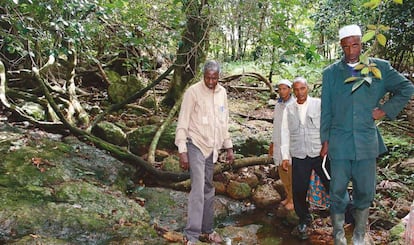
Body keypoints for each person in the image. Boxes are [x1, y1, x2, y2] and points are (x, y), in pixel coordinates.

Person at [320, 24, 414, 245]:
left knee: (365, 191)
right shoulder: (331, 73)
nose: (351, 51)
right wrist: (325, 140)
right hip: (339, 143)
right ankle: (339, 234)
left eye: (355, 45)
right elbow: (326, 110)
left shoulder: (378, 68)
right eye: (346, 46)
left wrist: (385, 110)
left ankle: (360, 235)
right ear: (341, 47)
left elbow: (406, 88)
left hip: (366, 143)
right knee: (337, 191)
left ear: (362, 44)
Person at [175, 60, 235, 245]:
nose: (210, 81)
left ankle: (207, 230)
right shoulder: (193, 92)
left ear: (219, 77)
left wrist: (229, 147)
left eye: (214, 78)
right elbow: (182, 122)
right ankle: (192, 235)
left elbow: (223, 122)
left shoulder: (222, 93)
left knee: (209, 188)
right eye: (207, 77)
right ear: (203, 76)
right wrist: (182, 150)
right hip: (196, 144)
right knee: (198, 189)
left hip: (213, 148)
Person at [280, 77, 330, 240]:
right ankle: (304, 218)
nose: (300, 92)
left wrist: (326, 145)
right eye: (296, 89)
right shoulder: (289, 108)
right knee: (299, 189)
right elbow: (285, 132)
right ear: (293, 91)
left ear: (307, 89)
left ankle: (345, 213)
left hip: (318, 153)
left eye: (302, 88)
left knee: (332, 182)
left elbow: (327, 125)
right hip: (299, 154)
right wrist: (285, 156)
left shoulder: (318, 104)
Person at [269, 79, 295, 211]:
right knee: (282, 172)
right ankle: (288, 196)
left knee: (290, 172)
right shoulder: (278, 105)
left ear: (290, 90)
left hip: (290, 145)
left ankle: (293, 199)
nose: (282, 91)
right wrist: (272, 143)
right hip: (279, 142)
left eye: (285, 89)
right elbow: (276, 126)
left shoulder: (294, 104)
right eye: (280, 89)